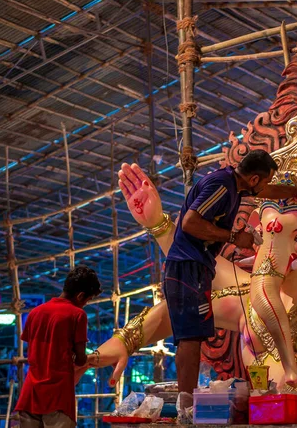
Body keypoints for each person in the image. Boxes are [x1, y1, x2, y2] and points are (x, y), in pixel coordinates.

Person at [120, 150, 278, 409]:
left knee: (193, 335)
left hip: (198, 268)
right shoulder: (222, 185)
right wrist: (233, 237)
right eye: (265, 181)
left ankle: (187, 402)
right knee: (190, 337)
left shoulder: (236, 188)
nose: (265, 187)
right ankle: (187, 405)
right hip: (187, 267)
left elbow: (270, 192)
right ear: (254, 179)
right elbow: (190, 222)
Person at [15, 266, 101, 428]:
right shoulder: (77, 315)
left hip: (30, 393)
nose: (85, 305)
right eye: (87, 300)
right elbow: (81, 359)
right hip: (58, 397)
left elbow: (34, 350)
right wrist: (89, 358)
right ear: (81, 295)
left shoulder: (35, 312)